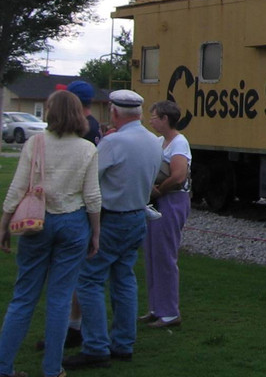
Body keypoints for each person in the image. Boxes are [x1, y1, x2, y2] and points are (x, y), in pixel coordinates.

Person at [0, 90, 101, 377]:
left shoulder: (36, 143)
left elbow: (18, 188)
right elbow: (92, 197)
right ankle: (52, 369)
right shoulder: (87, 149)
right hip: (73, 223)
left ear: (51, 113)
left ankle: (4, 367)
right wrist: (96, 232)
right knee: (60, 299)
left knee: (23, 297)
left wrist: (4, 223)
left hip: (36, 223)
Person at [63, 90, 161, 371]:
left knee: (90, 280)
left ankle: (95, 346)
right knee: (124, 279)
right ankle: (123, 343)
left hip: (111, 218)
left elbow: (90, 179)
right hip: (136, 216)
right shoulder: (153, 141)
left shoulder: (113, 142)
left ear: (115, 112)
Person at [141, 101, 191, 329]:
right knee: (152, 254)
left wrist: (159, 190)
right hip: (158, 201)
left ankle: (170, 312)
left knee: (165, 256)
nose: (150, 120)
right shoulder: (160, 142)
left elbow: (179, 175)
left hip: (171, 201)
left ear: (165, 119)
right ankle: (156, 308)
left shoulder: (179, 143)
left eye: (154, 116)